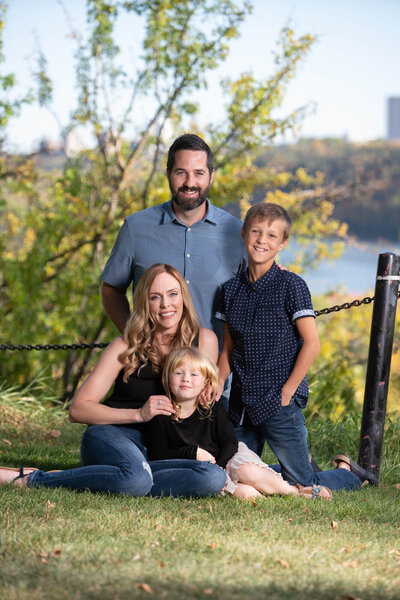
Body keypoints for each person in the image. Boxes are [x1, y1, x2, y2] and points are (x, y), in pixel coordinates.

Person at [0, 264, 226, 497]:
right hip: (114, 435)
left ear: (183, 297)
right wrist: (138, 414)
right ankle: (36, 478)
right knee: (137, 478)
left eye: (172, 294)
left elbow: (204, 412)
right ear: (144, 303)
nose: (165, 304)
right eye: (154, 297)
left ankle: (115, 477)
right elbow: (78, 410)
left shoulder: (204, 340)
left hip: (163, 449)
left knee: (212, 477)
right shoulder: (125, 345)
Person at [215, 202, 379, 491]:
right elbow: (228, 350)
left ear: (283, 244)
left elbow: (312, 344)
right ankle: (297, 467)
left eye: (272, 235)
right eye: (256, 231)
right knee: (233, 470)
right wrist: (215, 386)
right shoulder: (230, 291)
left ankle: (351, 474)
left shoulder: (291, 285)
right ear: (244, 234)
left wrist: (288, 391)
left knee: (304, 483)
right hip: (242, 403)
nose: (262, 240)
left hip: (279, 400)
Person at [100, 133, 247, 346]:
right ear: (168, 174)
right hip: (151, 372)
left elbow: (259, 293)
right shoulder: (135, 228)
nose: (190, 183)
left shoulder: (238, 233)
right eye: (181, 173)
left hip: (214, 374)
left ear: (211, 176)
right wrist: (136, 341)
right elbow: (111, 288)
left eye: (199, 173)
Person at [146, 347, 332, 500]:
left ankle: (298, 493)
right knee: (246, 495)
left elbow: (229, 442)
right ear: (167, 378)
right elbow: (158, 455)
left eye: (194, 374)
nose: (186, 378)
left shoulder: (212, 408)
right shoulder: (161, 413)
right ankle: (279, 488)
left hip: (229, 455)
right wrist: (193, 453)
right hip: (202, 471)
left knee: (249, 473)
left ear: (205, 383)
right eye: (178, 373)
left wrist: (219, 465)